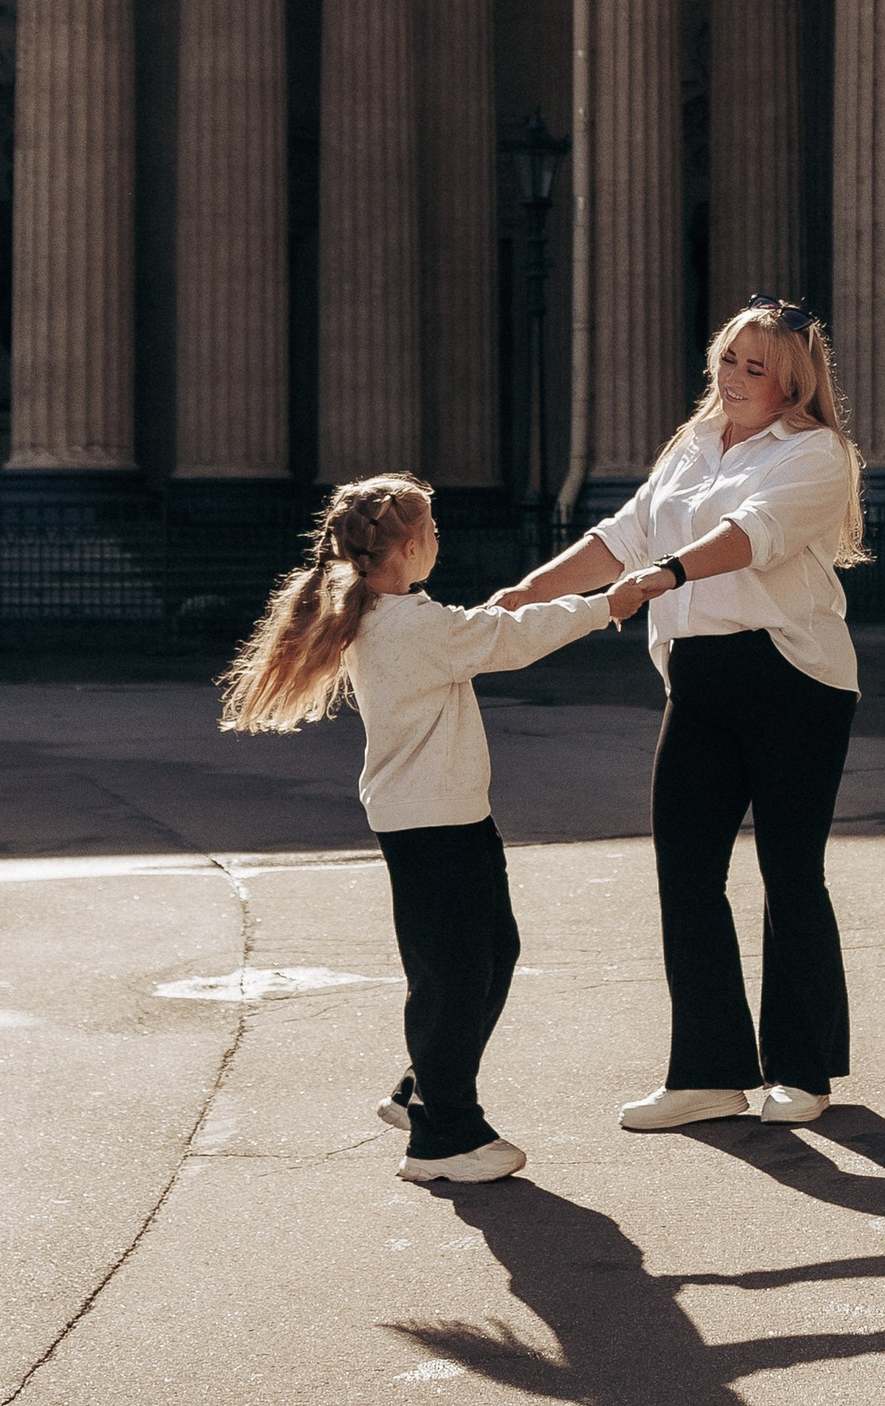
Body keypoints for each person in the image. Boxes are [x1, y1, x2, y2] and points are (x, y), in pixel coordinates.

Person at [220, 474, 667, 1187]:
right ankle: (442, 1135)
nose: (437, 541)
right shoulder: (408, 626)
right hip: (431, 821)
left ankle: (423, 1090)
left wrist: (505, 617)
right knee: (453, 974)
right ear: (405, 546)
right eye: (430, 532)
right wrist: (608, 603)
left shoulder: (397, 616)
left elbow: (475, 635)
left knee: (485, 955)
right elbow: (511, 640)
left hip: (446, 813)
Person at [490, 301, 866, 1132]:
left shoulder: (816, 454)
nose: (733, 380)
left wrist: (663, 576)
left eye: (754, 368)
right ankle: (707, 1072)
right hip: (696, 675)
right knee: (685, 871)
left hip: (792, 676)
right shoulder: (691, 447)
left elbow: (752, 534)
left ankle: (802, 1071)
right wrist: (528, 591)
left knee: (789, 871)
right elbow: (619, 535)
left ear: (792, 382)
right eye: (727, 360)